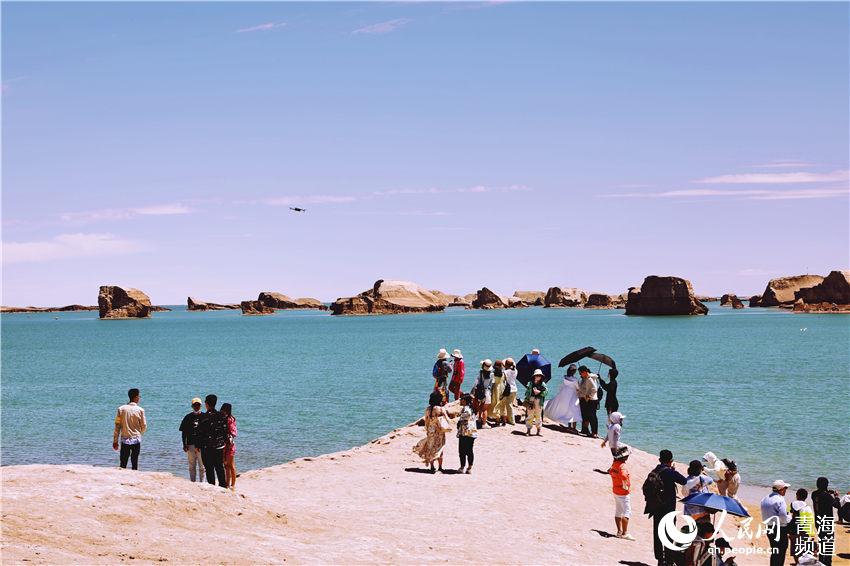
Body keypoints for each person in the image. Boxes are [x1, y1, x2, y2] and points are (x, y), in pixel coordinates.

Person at [644, 449, 689, 566]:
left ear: (659, 460)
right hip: (668, 509)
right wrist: (673, 469)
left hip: (656, 507)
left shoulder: (655, 471)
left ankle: (660, 559)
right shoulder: (670, 472)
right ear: (671, 461)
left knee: (658, 533)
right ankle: (669, 560)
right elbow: (684, 481)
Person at [196, 394, 229, 487]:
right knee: (219, 467)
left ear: (206, 404)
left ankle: (212, 486)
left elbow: (200, 433)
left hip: (207, 447)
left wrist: (198, 445)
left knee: (209, 468)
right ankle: (223, 486)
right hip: (219, 446)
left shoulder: (203, 417)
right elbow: (225, 430)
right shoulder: (222, 415)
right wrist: (225, 442)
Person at [412, 391, 448, 473]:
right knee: (440, 448)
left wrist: (428, 429)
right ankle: (440, 467)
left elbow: (426, 421)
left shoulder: (428, 409)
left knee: (431, 448)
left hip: (431, 430)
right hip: (439, 431)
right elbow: (446, 419)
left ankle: (432, 467)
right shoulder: (441, 409)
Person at [112, 388, 147, 470]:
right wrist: (139, 433)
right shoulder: (140, 410)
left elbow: (117, 426)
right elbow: (144, 425)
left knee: (123, 464)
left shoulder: (121, 409)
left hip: (124, 439)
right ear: (136, 397)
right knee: (135, 463)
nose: (139, 398)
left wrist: (115, 441)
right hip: (136, 439)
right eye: (139, 396)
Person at [760, 479, 792, 566]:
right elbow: (783, 518)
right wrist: (790, 517)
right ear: (781, 489)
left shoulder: (765, 498)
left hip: (769, 528)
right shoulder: (780, 500)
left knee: (775, 551)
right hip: (779, 529)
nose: (786, 490)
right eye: (785, 488)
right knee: (781, 552)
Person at [543, 364, 582, 432]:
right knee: (574, 410)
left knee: (566, 409)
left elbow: (562, 386)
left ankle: (568, 425)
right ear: (574, 372)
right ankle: (573, 427)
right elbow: (578, 388)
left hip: (564, 395)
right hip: (573, 395)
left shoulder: (565, 378)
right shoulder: (575, 380)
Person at [811, 477, 840, 566]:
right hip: (827, 523)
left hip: (818, 522)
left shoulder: (814, 494)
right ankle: (827, 563)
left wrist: (827, 492)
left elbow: (821, 495)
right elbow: (837, 505)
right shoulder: (827, 496)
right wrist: (836, 497)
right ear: (826, 485)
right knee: (828, 544)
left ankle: (821, 561)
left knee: (822, 541)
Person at [608, 446, 635, 540]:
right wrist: (625, 485)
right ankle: (625, 533)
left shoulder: (614, 464)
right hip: (623, 492)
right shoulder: (622, 466)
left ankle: (619, 531)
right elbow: (624, 476)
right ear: (624, 457)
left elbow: (610, 471)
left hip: (615, 490)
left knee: (618, 511)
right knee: (627, 512)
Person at [179, 397, 205, 482]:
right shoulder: (187, 417)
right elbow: (184, 432)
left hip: (202, 445)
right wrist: (184, 444)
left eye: (198, 405)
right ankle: (192, 482)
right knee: (191, 466)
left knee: (202, 466)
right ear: (192, 406)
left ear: (201, 406)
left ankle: (202, 483)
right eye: (195, 405)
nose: (196, 406)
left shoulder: (205, 417)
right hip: (190, 445)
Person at [790, 489, 816, 565]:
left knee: (794, 549)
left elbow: (787, 514)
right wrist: (812, 533)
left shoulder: (792, 505)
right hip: (804, 531)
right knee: (804, 549)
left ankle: (797, 563)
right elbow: (810, 521)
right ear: (806, 497)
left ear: (797, 495)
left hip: (793, 530)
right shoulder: (807, 508)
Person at [456, 394, 477, 474]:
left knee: (462, 451)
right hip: (472, 432)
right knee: (469, 450)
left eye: (461, 399)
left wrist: (460, 419)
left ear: (465, 401)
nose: (460, 401)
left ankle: (462, 467)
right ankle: (469, 467)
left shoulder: (466, 409)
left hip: (465, 432)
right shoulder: (472, 408)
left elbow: (466, 415)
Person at [494, 357, 518, 426]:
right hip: (514, 388)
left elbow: (503, 380)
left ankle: (511, 420)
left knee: (507, 405)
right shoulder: (515, 370)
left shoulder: (505, 372)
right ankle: (508, 418)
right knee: (510, 404)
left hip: (508, 389)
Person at [577, 365, 600, 437]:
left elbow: (594, 389)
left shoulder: (589, 379)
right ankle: (585, 430)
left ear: (584, 372)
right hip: (585, 399)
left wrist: (588, 396)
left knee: (592, 416)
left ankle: (594, 432)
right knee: (585, 415)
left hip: (591, 400)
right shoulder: (584, 378)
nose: (580, 374)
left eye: (580, 373)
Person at [524, 369, 547, 436]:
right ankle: (528, 430)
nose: (538, 377)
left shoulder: (543, 384)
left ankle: (538, 430)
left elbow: (546, 392)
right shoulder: (530, 383)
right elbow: (527, 393)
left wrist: (540, 392)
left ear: (541, 376)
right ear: (534, 376)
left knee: (538, 416)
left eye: (539, 375)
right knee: (529, 415)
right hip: (531, 400)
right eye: (537, 375)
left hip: (539, 401)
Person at [220, 403, 238, 489]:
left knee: (230, 465)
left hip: (230, 445)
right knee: (226, 465)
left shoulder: (231, 419)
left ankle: (233, 484)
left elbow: (234, 433)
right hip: (224, 445)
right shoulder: (223, 418)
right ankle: (227, 484)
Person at [473, 359, 494, 428]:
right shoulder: (491, 374)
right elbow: (491, 385)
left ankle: (479, 419)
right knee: (485, 409)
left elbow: (476, 382)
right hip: (487, 392)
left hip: (480, 392)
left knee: (481, 405)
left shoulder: (480, 373)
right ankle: (484, 424)